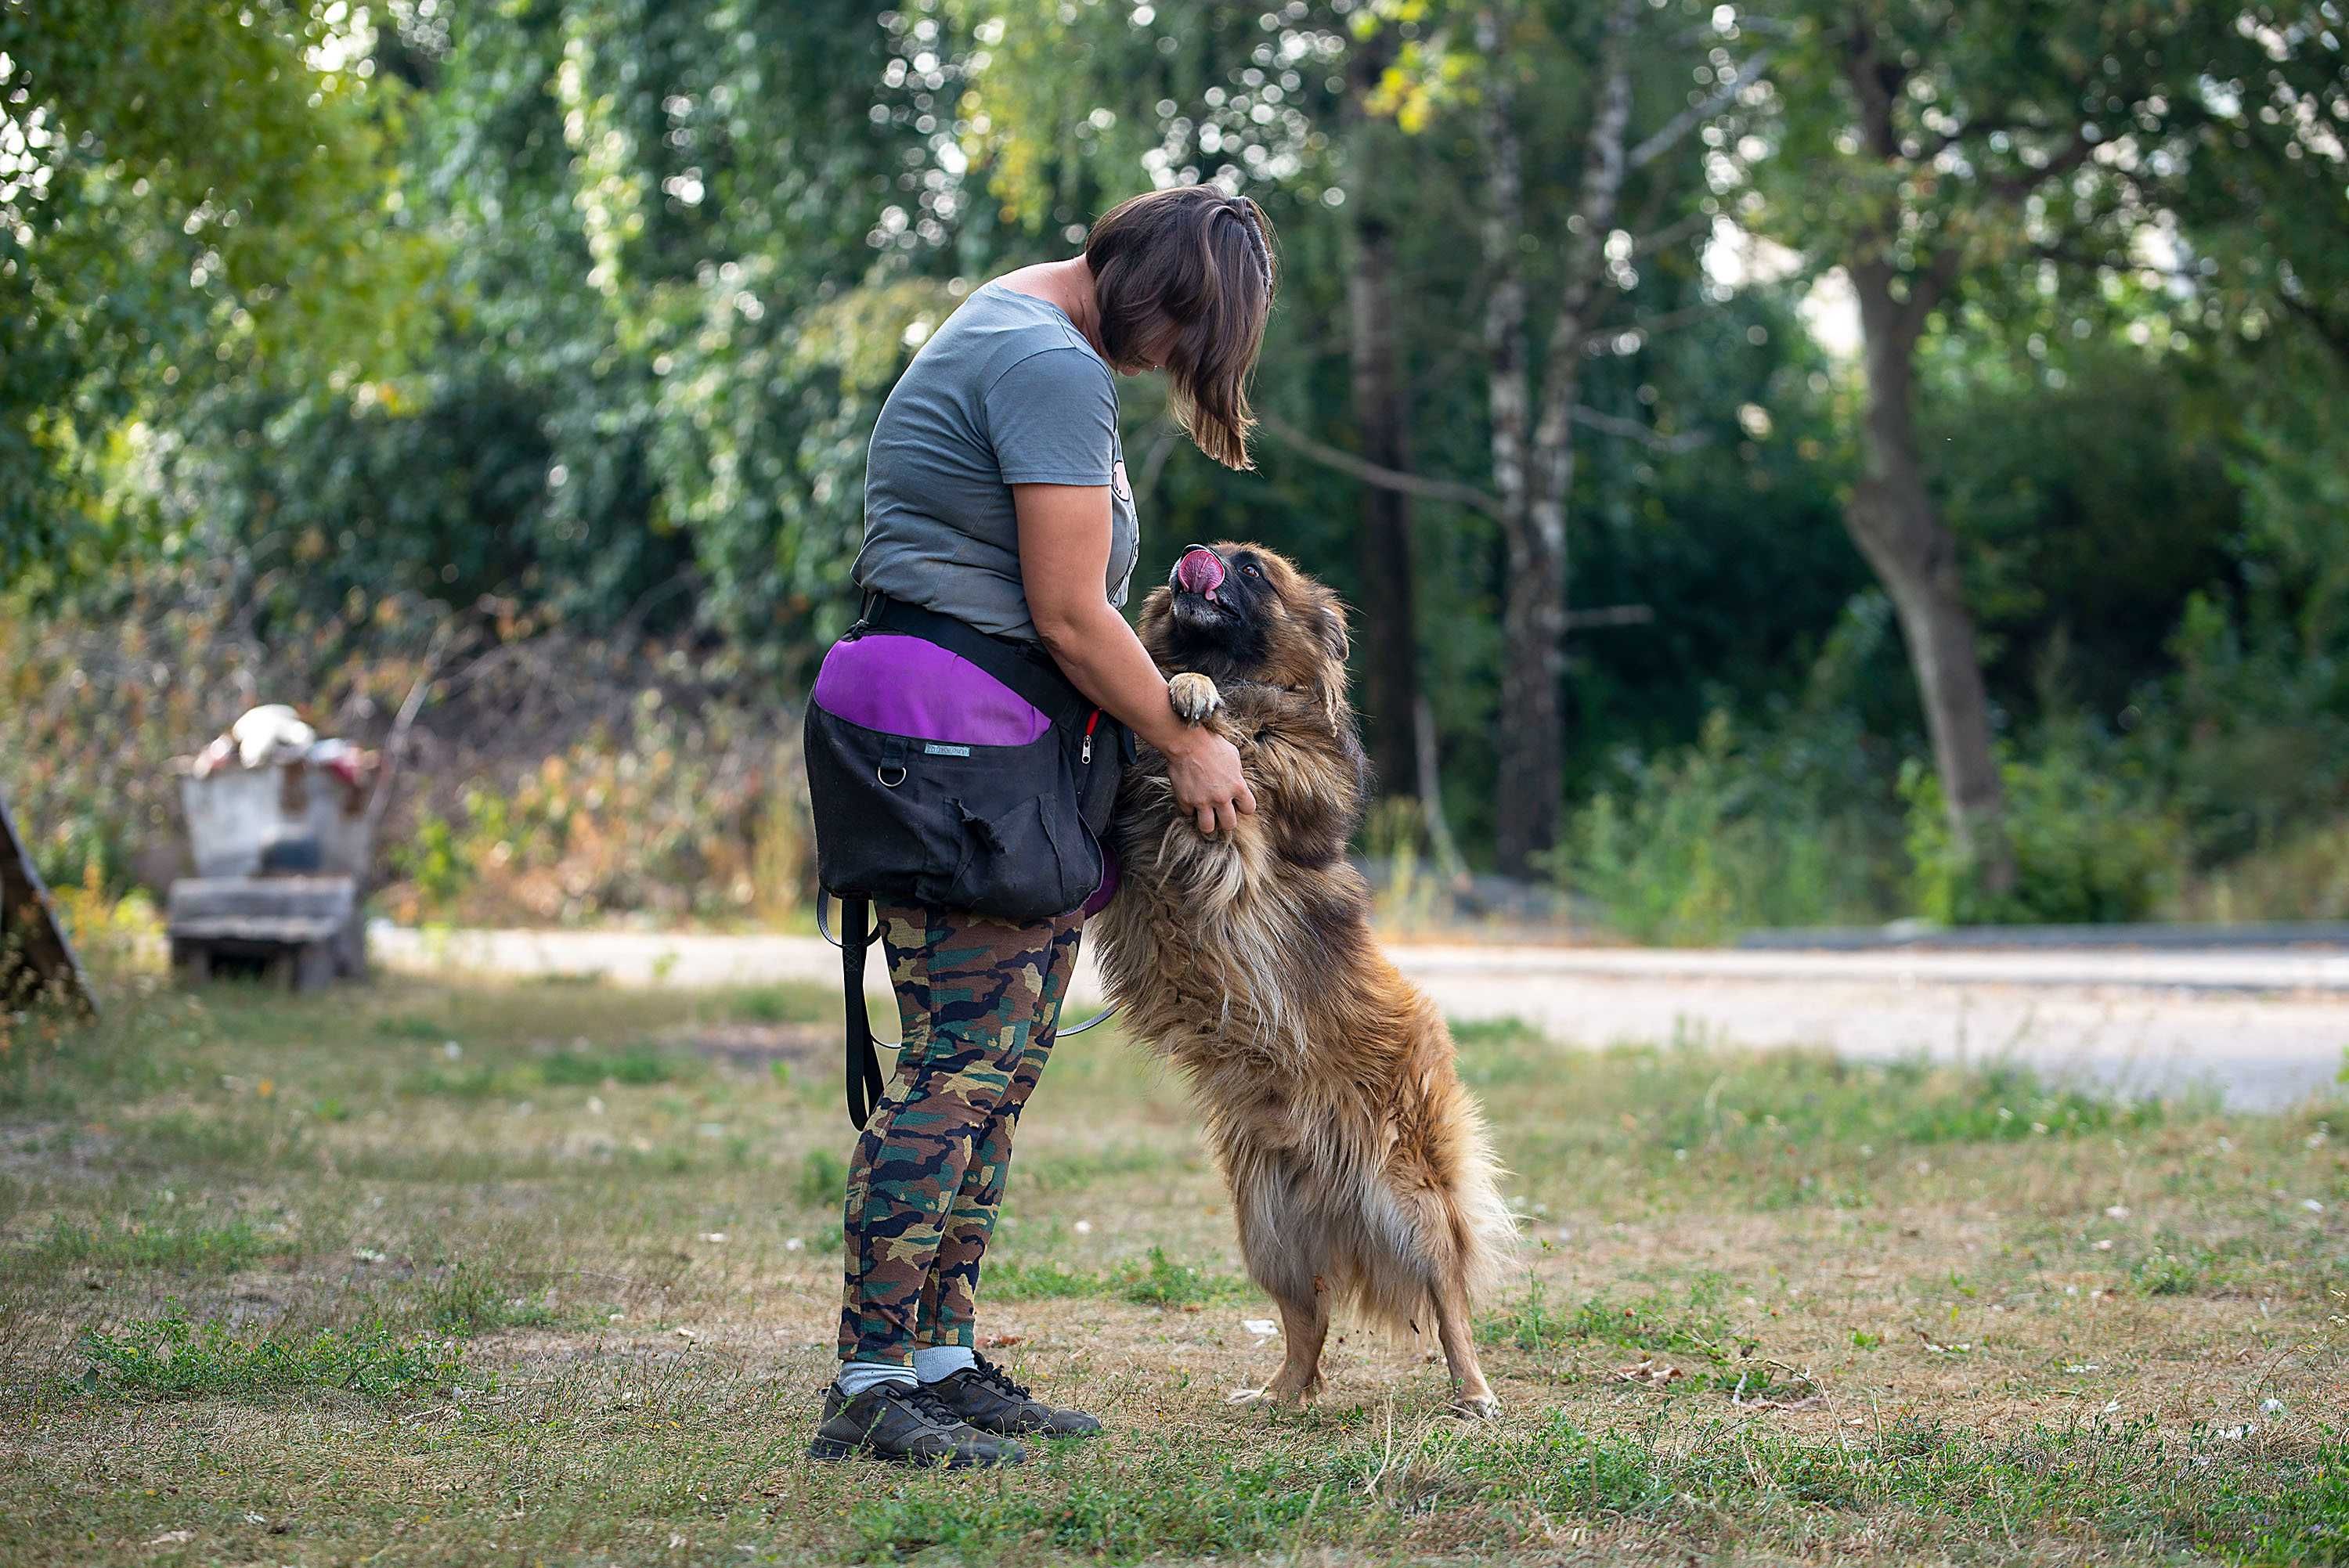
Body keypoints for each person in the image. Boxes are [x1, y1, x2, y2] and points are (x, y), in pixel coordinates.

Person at [807, 186, 1277, 1467]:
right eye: (1187, 328)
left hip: (989, 739)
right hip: (958, 739)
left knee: (998, 1071)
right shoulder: (1046, 360)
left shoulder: (1033, 335)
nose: (1180, 358)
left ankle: (940, 1362)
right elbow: (1072, 614)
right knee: (959, 1066)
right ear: (1145, 281)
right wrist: (1187, 739)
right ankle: (867, 1386)